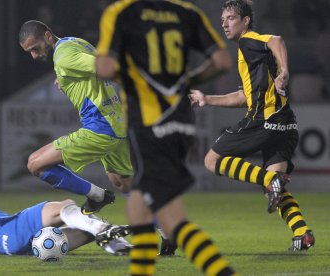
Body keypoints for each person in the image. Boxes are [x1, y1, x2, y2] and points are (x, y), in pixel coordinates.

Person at [96, 1, 237, 275]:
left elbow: (103, 68)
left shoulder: (122, 12)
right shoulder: (188, 12)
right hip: (182, 122)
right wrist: (190, 78)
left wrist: (133, 78)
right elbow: (222, 61)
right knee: (148, 209)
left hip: (149, 123)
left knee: (158, 214)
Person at [188, 0, 315, 251]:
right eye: (223, 19)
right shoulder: (251, 53)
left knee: (211, 161)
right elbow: (246, 97)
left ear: (245, 21)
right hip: (287, 125)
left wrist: (286, 72)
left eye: (231, 18)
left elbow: (277, 40)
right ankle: (302, 234)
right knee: (273, 192)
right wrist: (208, 99)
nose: (224, 23)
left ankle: (268, 179)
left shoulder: (249, 41)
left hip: (264, 121)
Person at [18, 20, 133, 214]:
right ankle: (167, 230)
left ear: (47, 36)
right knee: (123, 184)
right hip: (117, 124)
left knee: (34, 163)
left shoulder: (63, 57)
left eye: (35, 48)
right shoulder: (75, 42)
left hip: (100, 127)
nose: (34, 56)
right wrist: (64, 78)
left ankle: (98, 196)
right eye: (29, 51)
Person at [0, 169, 132, 256]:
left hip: (15, 248)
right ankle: (103, 229)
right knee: (64, 205)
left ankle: (118, 246)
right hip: (9, 231)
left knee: (85, 227)